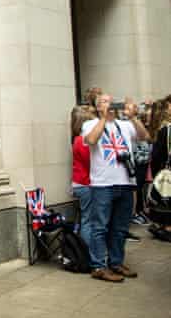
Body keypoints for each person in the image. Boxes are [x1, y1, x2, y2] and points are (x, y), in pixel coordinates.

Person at [82, 93, 149, 281]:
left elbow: (145, 137)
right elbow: (91, 141)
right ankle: (98, 266)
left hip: (126, 182)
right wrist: (103, 118)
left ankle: (116, 262)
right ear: (97, 107)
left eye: (111, 101)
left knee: (120, 228)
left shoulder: (125, 125)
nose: (109, 104)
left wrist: (133, 117)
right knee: (100, 227)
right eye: (104, 101)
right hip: (103, 184)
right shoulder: (90, 124)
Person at [71, 105, 97, 252]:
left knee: (87, 219)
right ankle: (88, 251)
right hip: (85, 184)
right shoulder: (82, 141)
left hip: (82, 183)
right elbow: (91, 163)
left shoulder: (77, 139)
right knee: (88, 220)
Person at [148, 96, 171, 241]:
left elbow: (156, 155)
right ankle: (166, 228)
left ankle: (163, 227)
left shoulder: (165, 130)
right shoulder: (166, 130)